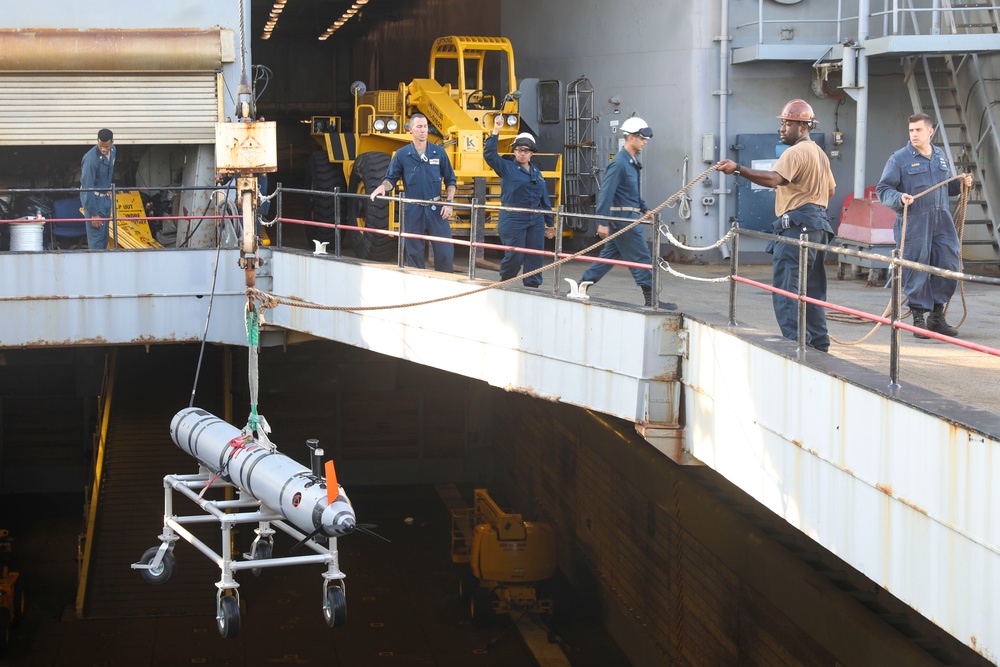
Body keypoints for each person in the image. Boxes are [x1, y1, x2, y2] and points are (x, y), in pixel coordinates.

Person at [716, 99, 836, 352]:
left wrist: (737, 168)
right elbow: (831, 190)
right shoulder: (819, 154)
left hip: (797, 227)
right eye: (782, 123)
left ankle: (797, 345)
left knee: (786, 291)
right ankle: (819, 344)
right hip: (818, 226)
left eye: (787, 123)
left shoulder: (795, 152)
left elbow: (774, 179)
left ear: (803, 127)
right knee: (812, 290)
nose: (782, 128)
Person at [876, 112, 973, 339]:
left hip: (942, 221)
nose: (914, 134)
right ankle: (918, 317)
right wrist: (899, 198)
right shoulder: (899, 158)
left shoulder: (939, 156)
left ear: (930, 131)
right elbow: (883, 190)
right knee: (915, 266)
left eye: (919, 130)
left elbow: (945, 187)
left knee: (949, 264)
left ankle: (936, 317)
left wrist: (962, 184)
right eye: (911, 130)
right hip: (914, 222)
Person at [579, 116, 675, 309]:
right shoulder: (620, 163)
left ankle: (582, 285)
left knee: (608, 257)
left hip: (627, 217)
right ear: (631, 137)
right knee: (641, 258)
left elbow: (631, 193)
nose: (645, 141)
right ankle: (651, 300)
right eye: (642, 138)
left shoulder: (630, 162)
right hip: (624, 220)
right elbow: (606, 192)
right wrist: (602, 221)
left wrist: (645, 209)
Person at [369, 113, 457, 272]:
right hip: (413, 209)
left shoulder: (439, 153)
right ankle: (417, 285)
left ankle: (446, 284)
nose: (423, 130)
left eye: (425, 127)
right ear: (411, 129)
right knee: (414, 252)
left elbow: (451, 180)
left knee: (445, 250)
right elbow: (391, 179)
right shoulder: (402, 155)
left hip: (436, 208)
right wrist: (383, 186)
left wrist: (449, 203)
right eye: (419, 127)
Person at [484, 116, 556, 287]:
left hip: (536, 218)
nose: (522, 153)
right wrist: (496, 131)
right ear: (514, 151)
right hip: (513, 216)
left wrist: (550, 223)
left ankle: (532, 284)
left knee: (534, 254)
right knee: (515, 254)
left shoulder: (537, 172)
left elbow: (544, 198)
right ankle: (506, 280)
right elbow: (490, 156)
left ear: (531, 153)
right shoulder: (507, 168)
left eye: (526, 150)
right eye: (518, 150)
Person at [80, 128, 117, 250]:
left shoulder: (113, 150)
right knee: (96, 241)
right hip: (94, 200)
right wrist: (93, 214)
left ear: (112, 142)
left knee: (105, 237)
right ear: (97, 141)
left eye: (106, 146)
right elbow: (86, 187)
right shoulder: (91, 160)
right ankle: (96, 267)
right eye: (101, 146)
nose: (103, 149)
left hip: (105, 198)